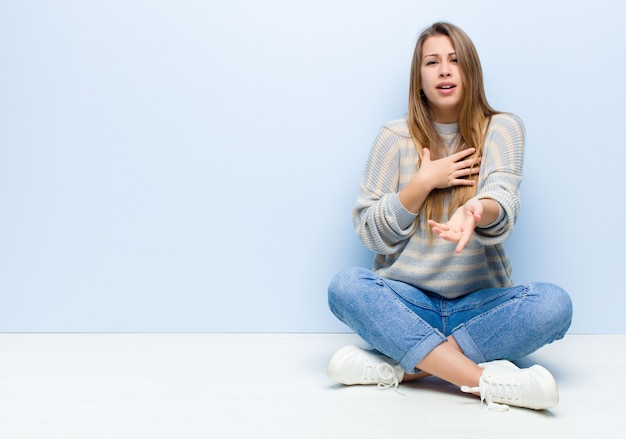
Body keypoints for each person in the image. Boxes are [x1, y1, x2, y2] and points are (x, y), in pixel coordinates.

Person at [326, 22, 573, 412]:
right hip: (407, 304)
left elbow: (502, 196)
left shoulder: (502, 128)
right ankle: (486, 382)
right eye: (432, 62)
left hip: (479, 307)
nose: (444, 70)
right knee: (345, 286)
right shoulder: (393, 138)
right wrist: (421, 184)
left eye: (455, 61)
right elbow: (370, 234)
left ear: (470, 71)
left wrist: (476, 209)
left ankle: (404, 367)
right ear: (418, 77)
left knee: (554, 304)